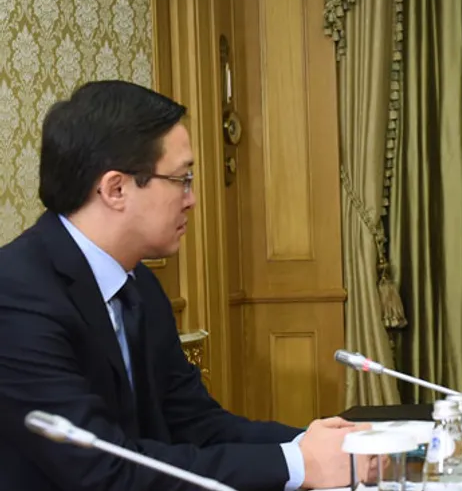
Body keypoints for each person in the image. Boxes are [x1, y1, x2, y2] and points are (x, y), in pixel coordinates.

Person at [0, 81, 372, 490]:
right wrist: (299, 464)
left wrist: (321, 448)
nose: (191, 199)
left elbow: (197, 425)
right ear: (116, 189)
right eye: (182, 179)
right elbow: (103, 471)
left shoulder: (139, 284)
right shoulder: (16, 295)